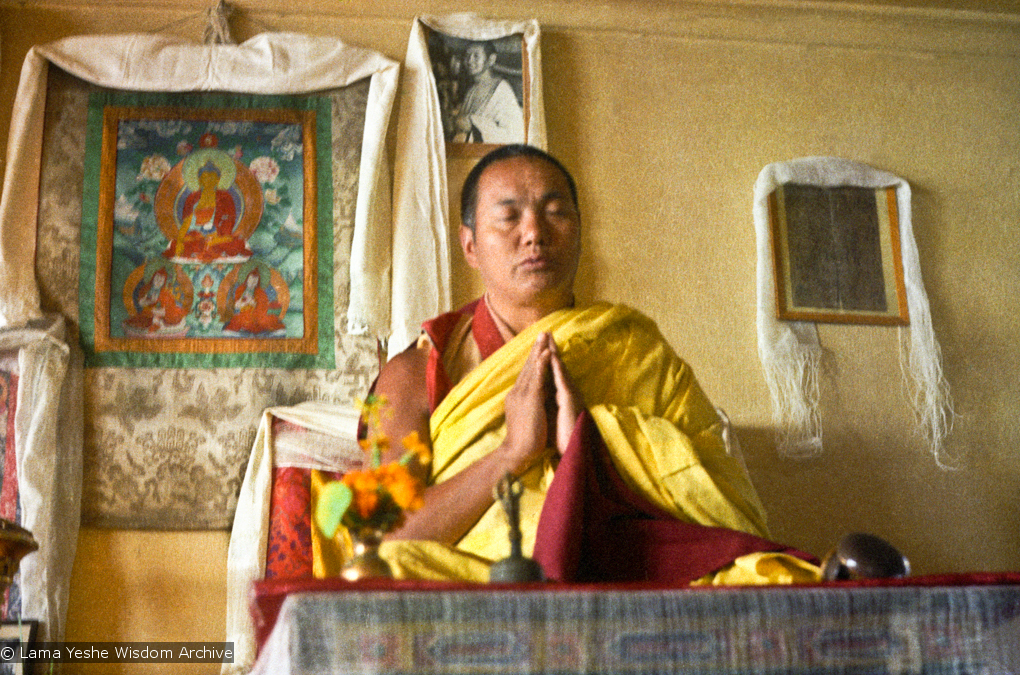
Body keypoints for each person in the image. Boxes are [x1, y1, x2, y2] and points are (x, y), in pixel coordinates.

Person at [312, 144, 820, 585]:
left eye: (556, 212)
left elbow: (725, 507)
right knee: (396, 568)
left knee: (767, 575)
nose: (534, 232)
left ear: (578, 232)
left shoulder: (629, 346)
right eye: (509, 216)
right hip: (481, 577)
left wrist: (590, 444)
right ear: (469, 245)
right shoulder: (411, 373)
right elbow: (382, 533)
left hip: (627, 564)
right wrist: (512, 452)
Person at [450, 41, 525, 144]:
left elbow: (515, 135)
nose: (470, 61)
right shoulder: (471, 90)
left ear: (491, 59)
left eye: (476, 56)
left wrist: (473, 123)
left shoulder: (502, 90)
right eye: (467, 55)